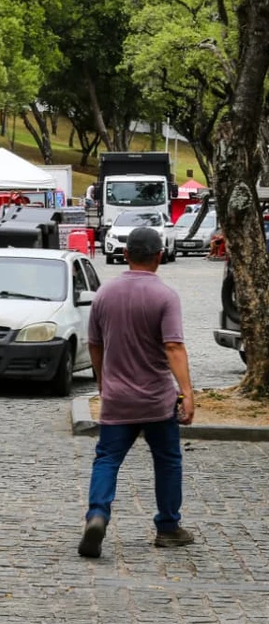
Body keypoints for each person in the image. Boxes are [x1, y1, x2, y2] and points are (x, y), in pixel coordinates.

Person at [78, 226, 195, 559]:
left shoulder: (104, 294)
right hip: (157, 400)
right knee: (167, 460)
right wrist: (187, 392)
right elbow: (173, 346)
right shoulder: (165, 296)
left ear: (126, 254)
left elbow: (94, 344)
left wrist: (103, 382)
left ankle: (97, 515)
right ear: (160, 255)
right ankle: (168, 527)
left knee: (107, 458)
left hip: (117, 399)